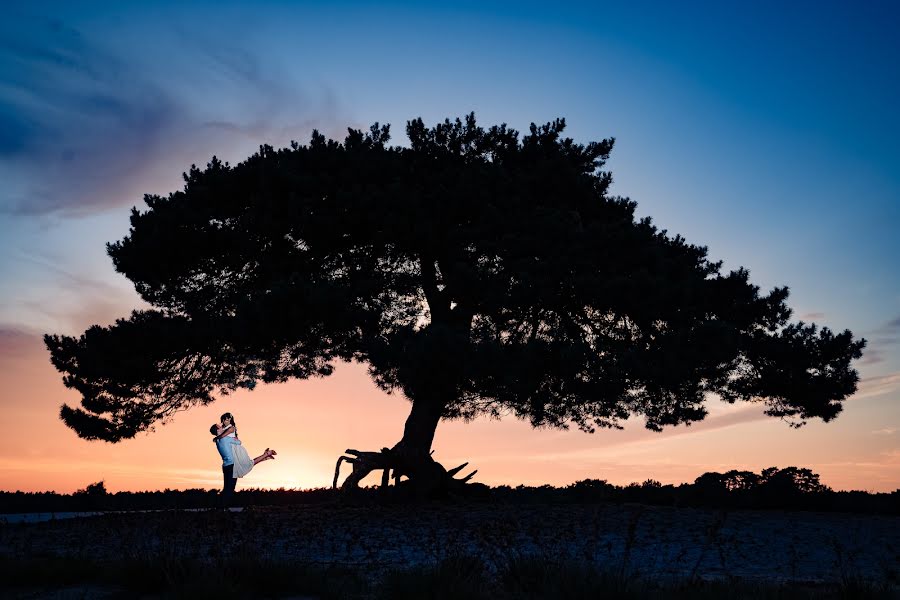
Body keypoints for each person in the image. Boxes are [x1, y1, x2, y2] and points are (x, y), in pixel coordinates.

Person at [211, 412, 276, 507]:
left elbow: (228, 433)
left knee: (227, 488)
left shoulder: (217, 441)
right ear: (217, 430)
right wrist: (234, 438)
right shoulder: (225, 439)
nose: (221, 426)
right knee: (230, 488)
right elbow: (239, 442)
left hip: (225, 465)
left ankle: (221, 507)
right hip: (232, 465)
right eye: (219, 426)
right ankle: (222, 507)